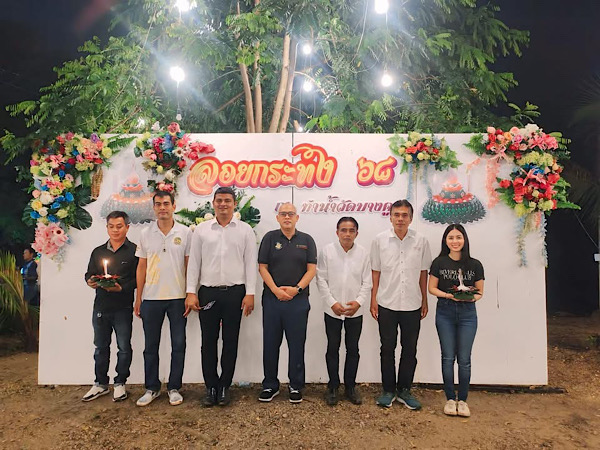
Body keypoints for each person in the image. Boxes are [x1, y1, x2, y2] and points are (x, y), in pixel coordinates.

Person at [185, 187, 257, 407]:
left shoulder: (245, 230)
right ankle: (211, 387)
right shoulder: (202, 230)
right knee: (208, 342)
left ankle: (225, 386)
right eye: (219, 200)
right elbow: (194, 262)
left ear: (234, 204)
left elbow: (250, 263)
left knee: (230, 341)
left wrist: (250, 293)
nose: (223, 204)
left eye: (227, 200)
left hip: (235, 293)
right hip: (208, 293)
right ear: (213, 203)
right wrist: (190, 292)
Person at [370, 199, 432, 410]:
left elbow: (423, 273)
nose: (400, 219)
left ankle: (405, 390)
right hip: (386, 302)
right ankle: (388, 391)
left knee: (410, 349)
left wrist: (424, 299)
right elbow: (375, 272)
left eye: (405, 215)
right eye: (396, 215)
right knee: (387, 348)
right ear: (390, 217)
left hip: (412, 304)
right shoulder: (379, 240)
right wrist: (373, 299)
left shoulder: (421, 241)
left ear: (411, 218)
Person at [135, 191, 191, 407]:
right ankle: (152, 387)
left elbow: (189, 265)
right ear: (154, 208)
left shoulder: (185, 232)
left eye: (166, 203)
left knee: (179, 344)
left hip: (178, 298)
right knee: (151, 346)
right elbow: (141, 266)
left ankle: (174, 387)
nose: (162, 208)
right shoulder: (146, 233)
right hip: (151, 298)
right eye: (158, 204)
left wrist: (190, 293)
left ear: (174, 206)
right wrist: (138, 297)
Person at [258, 202, 317, 403]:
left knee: (297, 344)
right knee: (270, 343)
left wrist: (296, 289)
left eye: (291, 214)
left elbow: (311, 269)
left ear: (297, 217)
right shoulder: (269, 238)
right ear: (277, 218)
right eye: (283, 214)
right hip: (272, 300)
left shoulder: (307, 240)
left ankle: (295, 385)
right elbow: (262, 267)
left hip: (298, 301)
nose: (287, 217)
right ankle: (270, 385)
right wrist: (276, 290)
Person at [428, 224, 484, 418]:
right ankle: (450, 399)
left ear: (464, 239)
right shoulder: (439, 262)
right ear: (445, 241)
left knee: (464, 360)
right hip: (445, 312)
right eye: (451, 237)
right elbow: (431, 288)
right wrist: (448, 295)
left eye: (458, 237)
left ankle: (463, 400)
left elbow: (480, 292)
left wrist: (468, 298)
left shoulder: (475, 264)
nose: (455, 241)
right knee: (448, 357)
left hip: (468, 314)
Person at [82, 211, 139, 402]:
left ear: (127, 227)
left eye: (119, 226)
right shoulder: (98, 252)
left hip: (123, 307)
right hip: (101, 306)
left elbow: (138, 279)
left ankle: (120, 382)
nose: (115, 230)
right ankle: (100, 383)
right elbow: (89, 273)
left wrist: (122, 288)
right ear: (107, 227)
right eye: (111, 226)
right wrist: (90, 280)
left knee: (124, 347)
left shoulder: (134, 251)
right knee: (100, 347)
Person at [316, 216, 371, 406]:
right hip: (332, 310)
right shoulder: (327, 252)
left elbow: (367, 282)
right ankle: (333, 387)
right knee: (332, 348)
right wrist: (332, 303)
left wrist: (358, 302)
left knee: (353, 349)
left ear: (357, 233)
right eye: (343, 230)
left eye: (351, 230)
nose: (347, 234)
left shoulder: (363, 254)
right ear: (337, 232)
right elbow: (320, 279)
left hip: (355, 311)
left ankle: (350, 387)